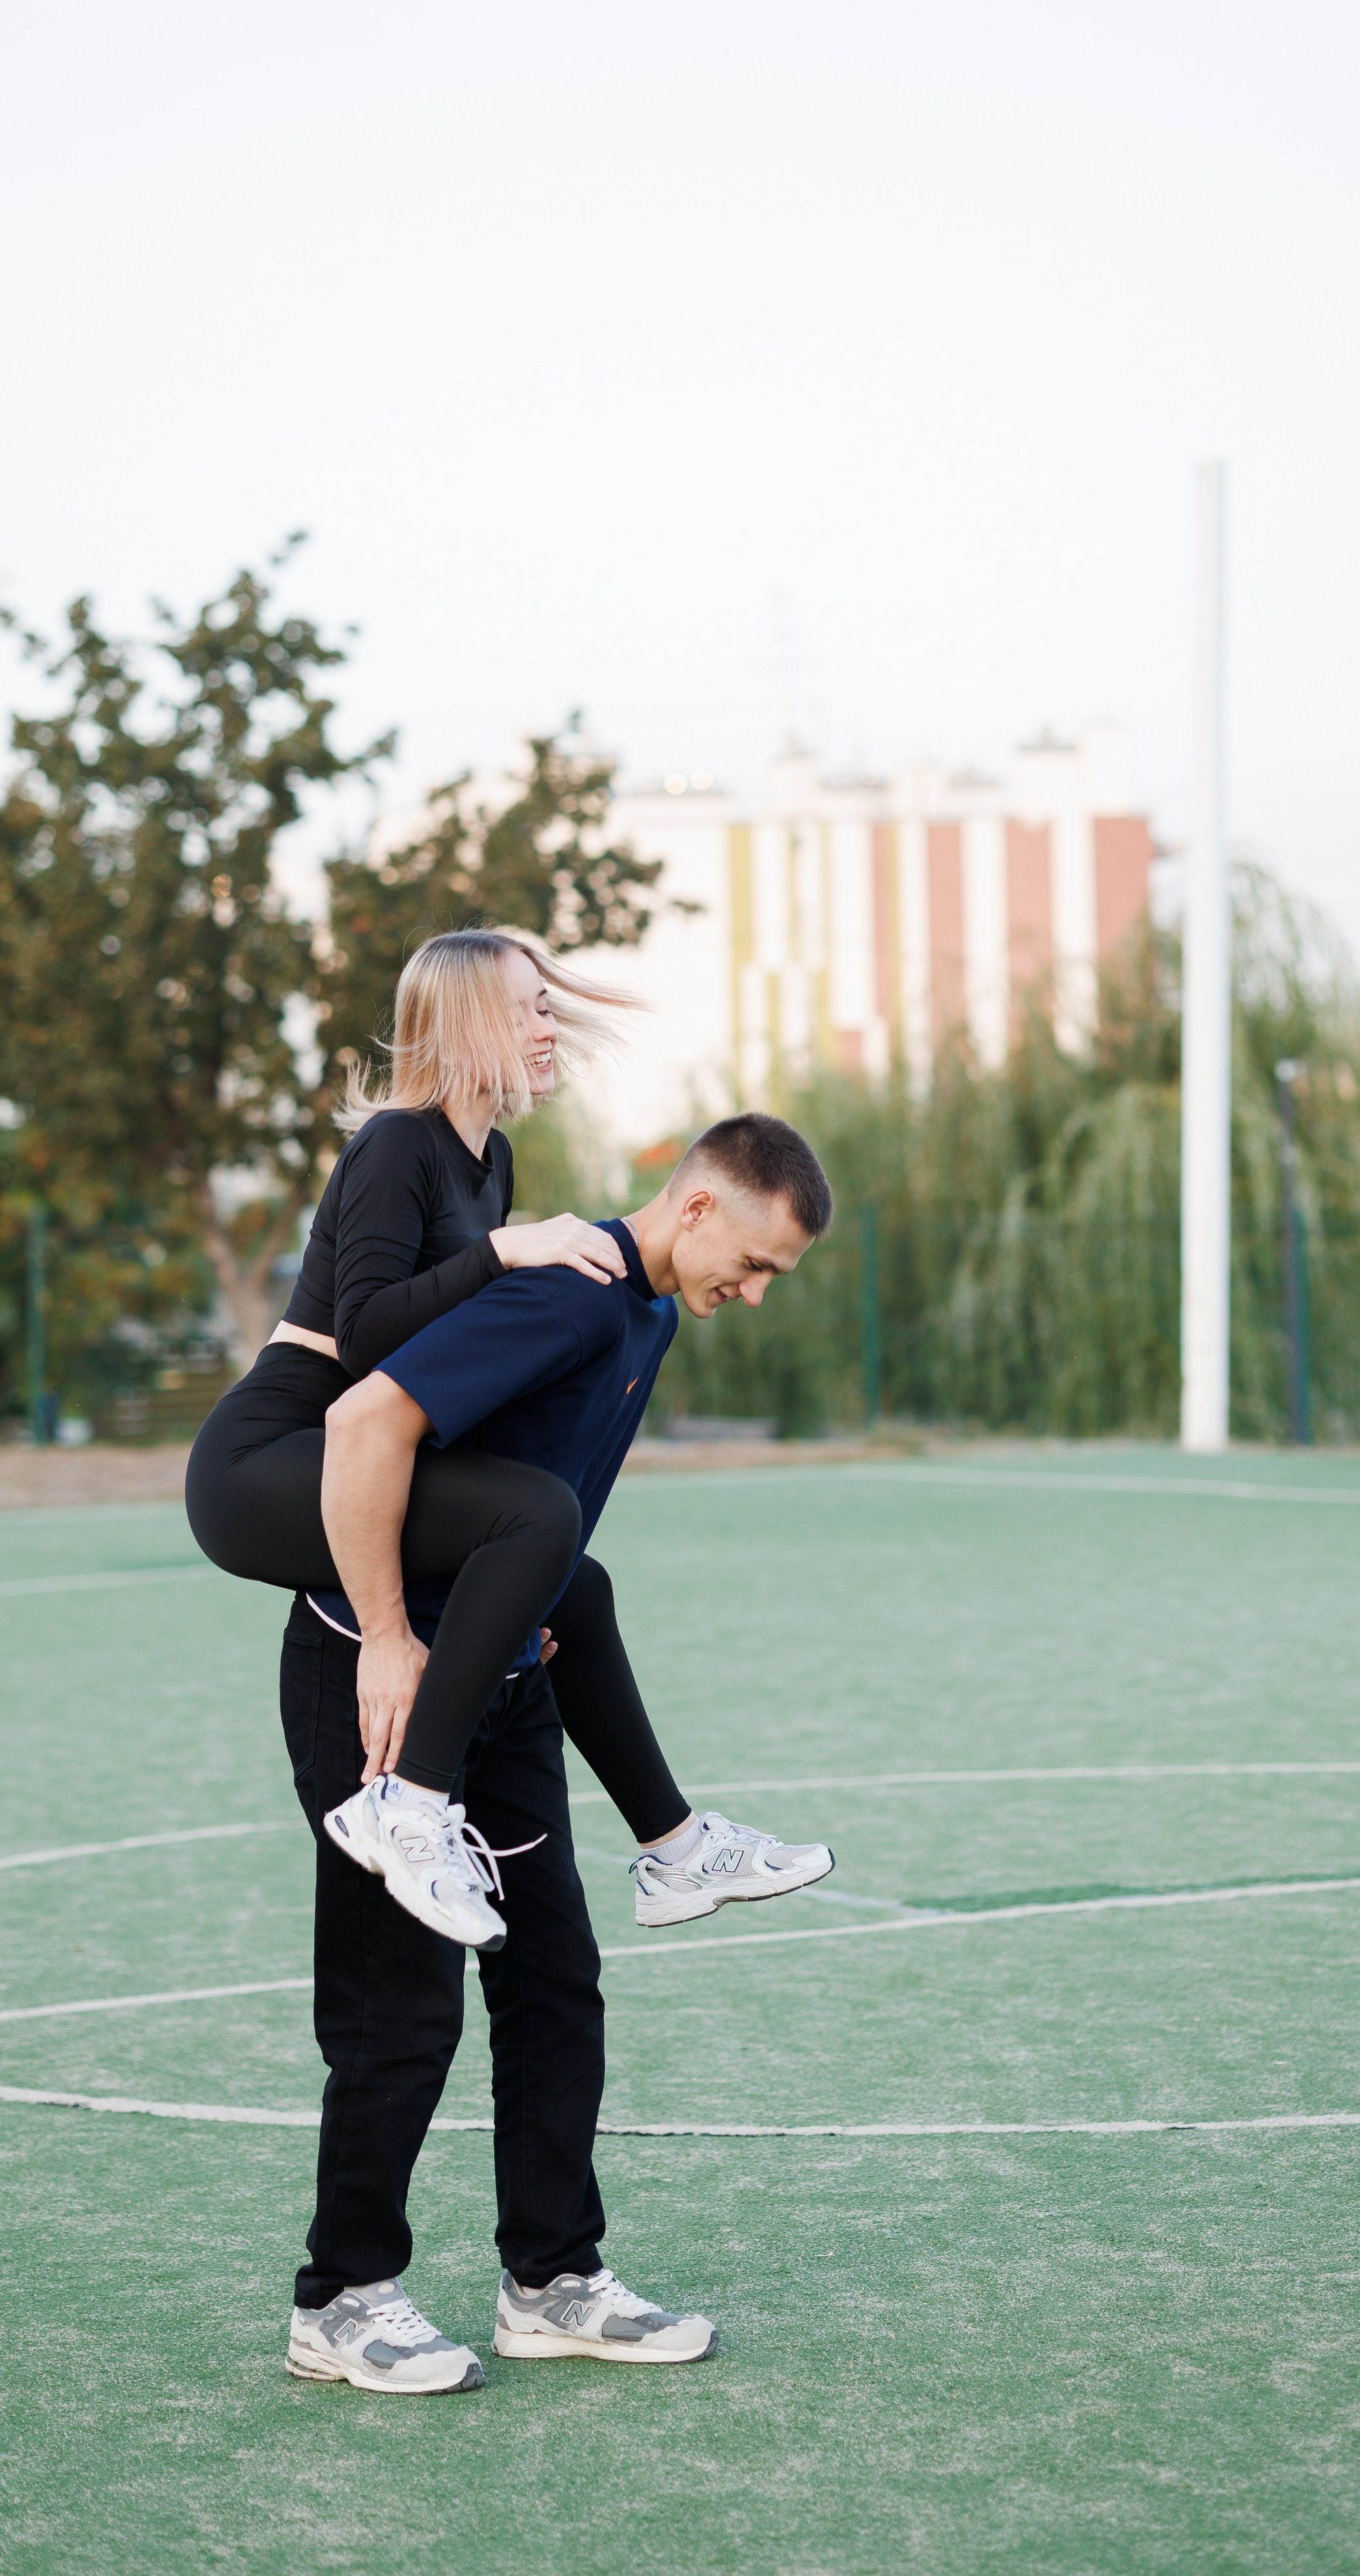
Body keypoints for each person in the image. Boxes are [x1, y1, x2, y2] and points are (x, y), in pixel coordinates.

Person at [283, 1113, 834, 2394]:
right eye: (749, 1264)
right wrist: (382, 1638)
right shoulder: (572, 1297)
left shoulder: (647, 1316)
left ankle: (552, 2279)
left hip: (508, 1680)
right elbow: (367, 1423)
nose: (748, 1296)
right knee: (401, 2005)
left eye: (771, 1282)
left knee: (552, 1984)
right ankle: (343, 2297)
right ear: (694, 1208)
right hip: (383, 1683)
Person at [187, 927, 829, 1942]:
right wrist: (502, 1250)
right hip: (271, 1455)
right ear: (469, 1018)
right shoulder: (400, 1143)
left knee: (574, 1573)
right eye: (529, 1006)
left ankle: (675, 1851)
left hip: (365, 1447)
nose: (547, 1026)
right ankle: (410, 1808)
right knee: (535, 1512)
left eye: (545, 1005)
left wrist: (515, 1590)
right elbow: (365, 1343)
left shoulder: (494, 1157)